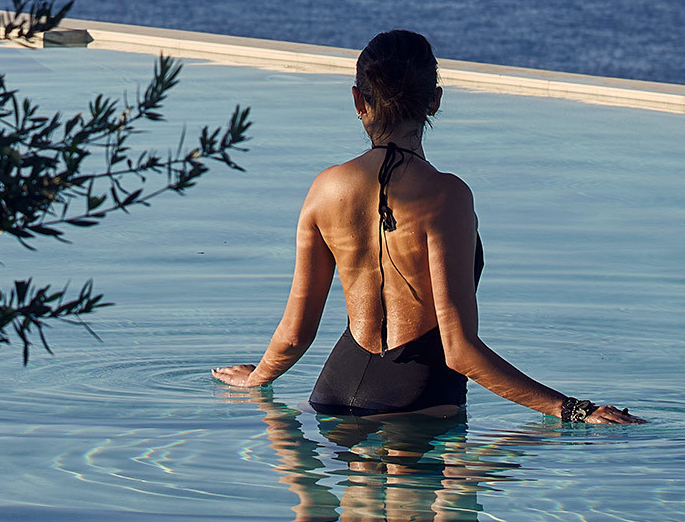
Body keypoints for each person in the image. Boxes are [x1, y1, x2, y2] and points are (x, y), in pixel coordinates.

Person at [212, 30, 642, 425]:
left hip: (332, 395)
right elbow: (459, 351)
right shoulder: (446, 196)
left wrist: (257, 379)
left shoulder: (324, 189)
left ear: (359, 101)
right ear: (434, 100)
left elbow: (294, 335)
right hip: (417, 402)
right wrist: (573, 410)